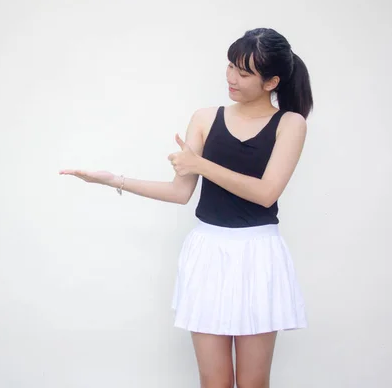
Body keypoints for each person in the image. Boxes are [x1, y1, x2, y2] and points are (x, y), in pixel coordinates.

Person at [60, 27, 313, 388]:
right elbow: (180, 192)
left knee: (254, 382)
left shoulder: (290, 123)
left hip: (259, 255)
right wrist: (111, 179)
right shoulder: (205, 118)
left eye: (244, 73)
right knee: (214, 381)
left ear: (272, 81)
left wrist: (201, 165)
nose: (231, 78)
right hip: (208, 252)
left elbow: (266, 193)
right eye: (230, 67)